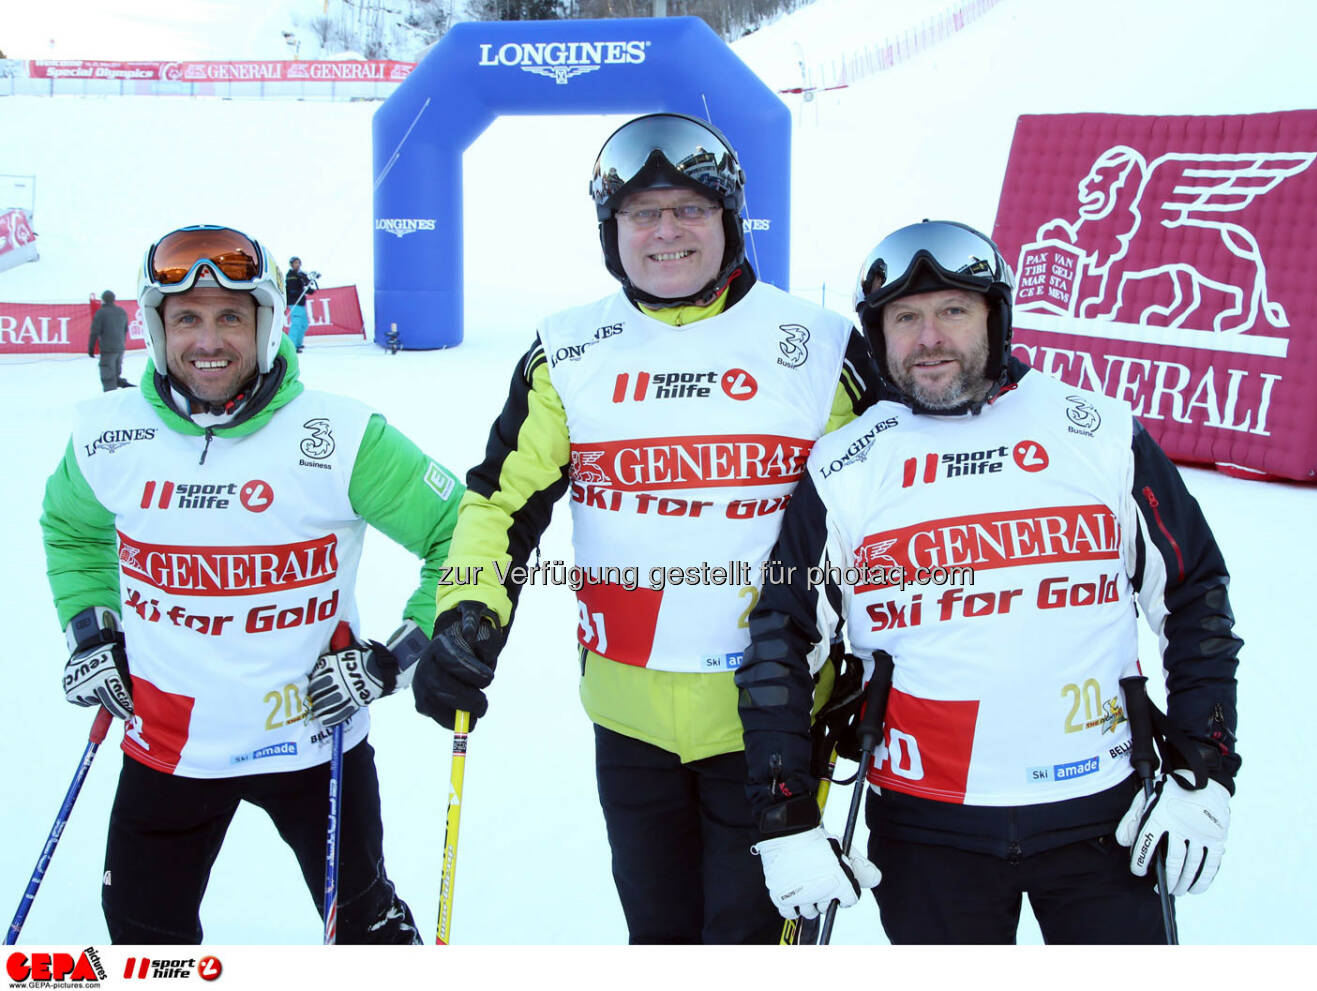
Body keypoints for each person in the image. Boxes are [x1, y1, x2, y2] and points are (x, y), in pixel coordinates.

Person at [410, 113, 878, 944]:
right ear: (611, 231)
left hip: (770, 717)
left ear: (729, 219)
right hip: (627, 720)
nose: (667, 231)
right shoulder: (568, 350)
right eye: (642, 213)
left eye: (690, 208)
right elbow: (500, 501)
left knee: (747, 944)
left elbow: (891, 512)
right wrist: (468, 613)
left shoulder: (818, 347)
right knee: (657, 938)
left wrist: (882, 667)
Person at [735, 220, 1242, 943]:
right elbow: (780, 639)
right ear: (878, 335)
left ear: (994, 316)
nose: (928, 337)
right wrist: (784, 814)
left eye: (953, 310)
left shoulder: (1096, 432)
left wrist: (1205, 767)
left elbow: (1196, 598)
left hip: (1102, 818)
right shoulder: (846, 465)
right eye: (905, 318)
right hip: (928, 829)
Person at [41, 224, 462, 944]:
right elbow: (71, 529)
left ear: (268, 325)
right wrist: (93, 629)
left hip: (311, 735)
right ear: (156, 326)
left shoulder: (338, 433)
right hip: (169, 740)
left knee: (365, 925)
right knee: (143, 934)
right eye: (188, 318)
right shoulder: (108, 435)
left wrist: (389, 659)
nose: (209, 340)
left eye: (231, 315)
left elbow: (461, 533)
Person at [88, 289, 132, 390]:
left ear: (103, 300)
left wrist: (91, 349)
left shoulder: (101, 313)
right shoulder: (122, 312)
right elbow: (125, 330)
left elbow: (94, 332)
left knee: (108, 377)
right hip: (120, 348)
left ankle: (111, 400)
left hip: (107, 350)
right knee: (116, 375)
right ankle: (125, 390)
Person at [285, 256, 316, 352]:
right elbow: (292, 289)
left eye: (298, 263)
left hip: (301, 303)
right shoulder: (291, 275)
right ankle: (291, 346)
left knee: (304, 324)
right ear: (291, 264)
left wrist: (311, 283)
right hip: (294, 302)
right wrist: (301, 289)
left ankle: (298, 343)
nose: (297, 265)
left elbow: (307, 285)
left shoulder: (301, 274)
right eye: (295, 263)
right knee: (296, 324)